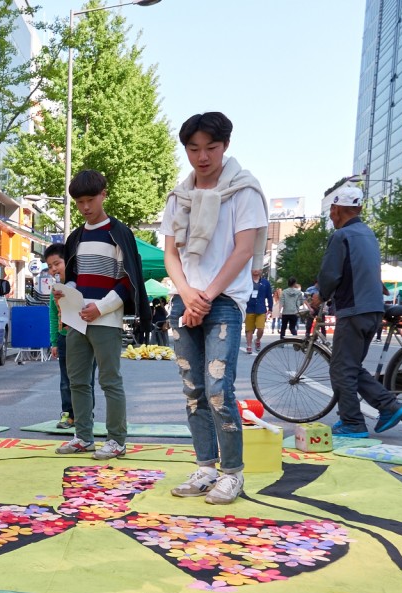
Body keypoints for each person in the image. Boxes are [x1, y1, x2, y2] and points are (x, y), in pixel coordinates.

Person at [160, 111, 268, 505]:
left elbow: (243, 250)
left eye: (211, 147)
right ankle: (205, 467)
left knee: (219, 390)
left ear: (226, 146)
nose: (202, 157)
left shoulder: (244, 191)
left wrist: (204, 297)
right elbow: (170, 253)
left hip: (222, 302)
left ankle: (232, 473)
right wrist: (187, 294)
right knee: (193, 391)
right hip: (184, 299)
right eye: (193, 148)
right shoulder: (178, 196)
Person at [53, 169, 153, 460]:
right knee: (77, 381)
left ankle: (117, 440)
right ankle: (83, 436)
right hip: (76, 320)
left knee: (110, 380)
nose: (85, 207)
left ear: (103, 195)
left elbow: (128, 280)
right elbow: (75, 276)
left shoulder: (119, 234)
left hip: (106, 319)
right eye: (80, 201)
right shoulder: (75, 237)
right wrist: (66, 290)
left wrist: (102, 307)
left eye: (90, 199)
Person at [313, 185, 402, 437]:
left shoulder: (341, 236)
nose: (331, 216)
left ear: (336, 209)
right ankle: (388, 406)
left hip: (354, 310)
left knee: (341, 368)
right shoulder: (367, 233)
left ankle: (353, 422)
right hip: (373, 309)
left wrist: (319, 296)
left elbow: (330, 274)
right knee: (351, 366)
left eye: (331, 211)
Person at [45, 244, 75, 429]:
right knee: (66, 380)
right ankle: (67, 415)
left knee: (84, 380)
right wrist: (54, 341)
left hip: (82, 336)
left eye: (57, 263)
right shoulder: (54, 289)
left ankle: (84, 414)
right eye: (49, 266)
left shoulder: (79, 283)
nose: (53, 269)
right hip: (64, 338)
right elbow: (52, 315)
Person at [243, 268, 273, 354]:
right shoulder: (247, 281)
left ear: (261, 271)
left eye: (258, 269)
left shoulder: (265, 283)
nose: (255, 271)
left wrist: (270, 309)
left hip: (261, 308)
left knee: (261, 328)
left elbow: (269, 296)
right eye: (253, 269)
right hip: (249, 308)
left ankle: (258, 340)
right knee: (249, 329)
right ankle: (249, 346)